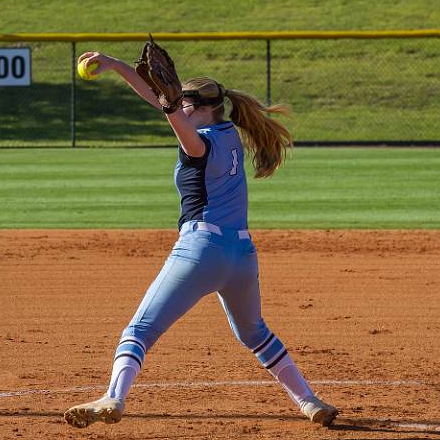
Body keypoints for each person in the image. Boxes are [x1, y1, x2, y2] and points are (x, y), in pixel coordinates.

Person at [63, 46, 339, 429]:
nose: (174, 105)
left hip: (199, 251)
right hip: (241, 256)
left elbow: (174, 118)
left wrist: (169, 105)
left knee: (139, 331)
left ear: (197, 107)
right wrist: (114, 65)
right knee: (255, 333)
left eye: (181, 103)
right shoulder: (228, 133)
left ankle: (113, 397)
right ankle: (309, 402)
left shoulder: (197, 141)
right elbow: (161, 103)